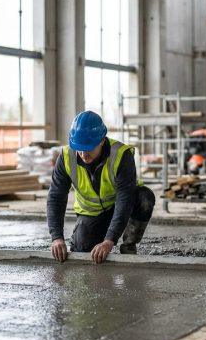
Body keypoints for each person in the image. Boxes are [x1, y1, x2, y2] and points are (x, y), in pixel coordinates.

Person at [47, 111, 155, 264]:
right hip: (92, 212)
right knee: (82, 250)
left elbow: (125, 199)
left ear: (102, 140)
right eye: (79, 148)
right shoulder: (66, 157)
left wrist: (109, 240)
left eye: (89, 148)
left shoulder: (121, 155)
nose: (84, 154)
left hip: (122, 207)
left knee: (145, 197)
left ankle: (129, 245)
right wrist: (56, 237)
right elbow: (56, 197)